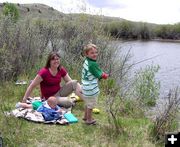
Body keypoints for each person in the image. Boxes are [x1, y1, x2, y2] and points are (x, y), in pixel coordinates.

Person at [81, 43, 108, 125]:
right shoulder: (93, 64)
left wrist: (101, 73)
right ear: (86, 54)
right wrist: (105, 75)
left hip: (85, 87)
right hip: (91, 88)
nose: (94, 54)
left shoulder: (87, 61)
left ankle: (86, 116)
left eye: (96, 52)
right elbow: (99, 74)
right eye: (92, 53)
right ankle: (89, 120)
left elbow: (95, 71)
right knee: (91, 105)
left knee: (87, 103)